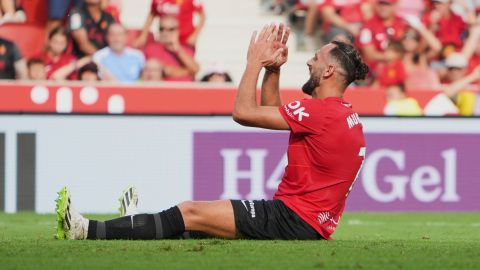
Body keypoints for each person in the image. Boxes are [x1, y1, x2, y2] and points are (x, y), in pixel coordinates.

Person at [55, 23, 369, 241]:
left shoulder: (320, 112)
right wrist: (273, 70)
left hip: (292, 219)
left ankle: (85, 230)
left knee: (189, 211)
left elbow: (244, 113)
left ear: (329, 71)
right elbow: (272, 112)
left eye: (317, 58)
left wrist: (253, 63)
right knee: (197, 225)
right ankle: (135, 222)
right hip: (306, 222)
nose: (311, 60)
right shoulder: (337, 113)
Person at [143, 16, 199, 82]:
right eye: (162, 29)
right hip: (163, 89)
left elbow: (195, 69)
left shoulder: (185, 49)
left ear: (178, 30)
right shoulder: (151, 49)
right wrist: (188, 71)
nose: (165, 32)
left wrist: (177, 49)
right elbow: (166, 71)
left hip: (186, 88)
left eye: (171, 29)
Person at [358, 0, 408, 73]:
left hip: (399, 67)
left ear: (394, 6)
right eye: (381, 4)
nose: (383, 7)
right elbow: (369, 54)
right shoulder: (368, 25)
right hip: (375, 70)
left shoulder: (403, 23)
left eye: (387, 4)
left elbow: (409, 48)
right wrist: (389, 57)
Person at [133, 0, 206, 48]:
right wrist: (143, 35)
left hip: (185, 40)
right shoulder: (158, 1)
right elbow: (152, 14)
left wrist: (195, 35)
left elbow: (202, 16)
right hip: (164, 38)